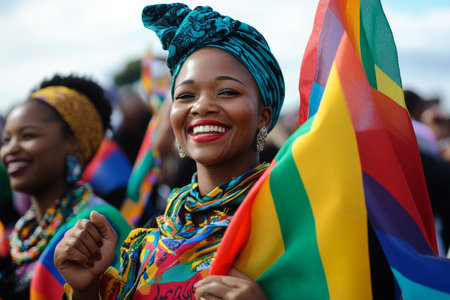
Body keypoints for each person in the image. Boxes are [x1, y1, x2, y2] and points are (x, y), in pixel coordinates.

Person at [54, 3, 284, 299]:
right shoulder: (147, 241)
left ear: (264, 116)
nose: (201, 106)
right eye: (186, 95)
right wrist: (85, 289)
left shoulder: (293, 217)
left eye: (227, 91)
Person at [0, 74, 132, 299]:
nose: (10, 150)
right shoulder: (20, 235)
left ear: (73, 143)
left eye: (28, 136)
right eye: (6, 139)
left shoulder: (99, 223)